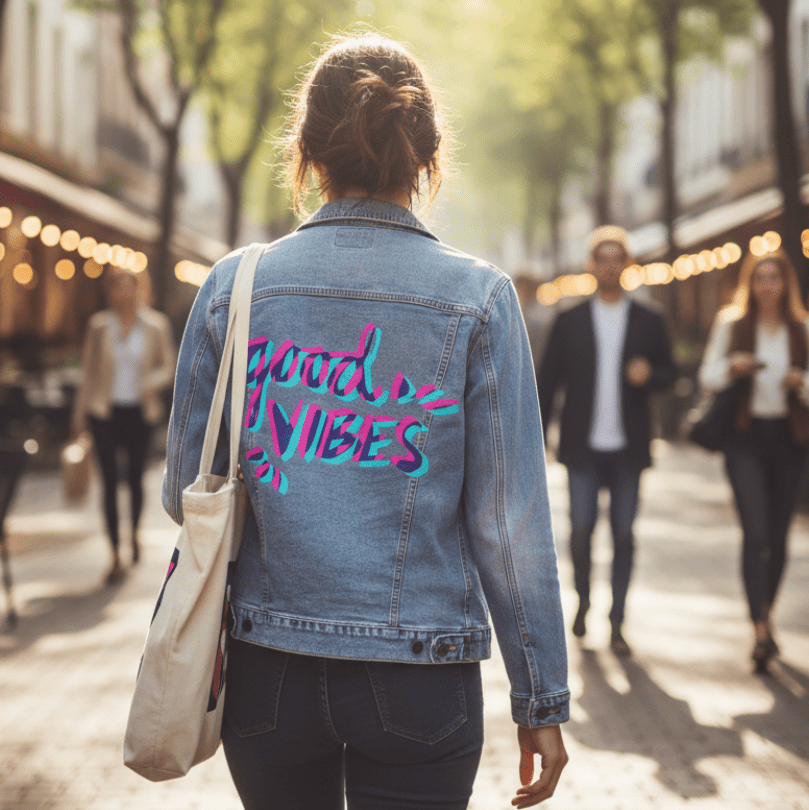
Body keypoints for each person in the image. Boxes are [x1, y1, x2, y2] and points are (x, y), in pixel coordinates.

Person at [162, 32, 569, 810]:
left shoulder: (235, 287)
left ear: (306, 153)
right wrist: (539, 698)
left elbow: (185, 489)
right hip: (422, 673)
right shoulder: (478, 298)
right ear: (428, 156)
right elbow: (507, 525)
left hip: (267, 668)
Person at [537, 227, 677, 656]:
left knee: (623, 535)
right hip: (581, 447)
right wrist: (535, 438)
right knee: (580, 532)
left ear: (627, 265)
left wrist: (649, 375)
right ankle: (583, 602)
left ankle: (617, 622)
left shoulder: (649, 319)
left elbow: (670, 374)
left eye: (618, 259)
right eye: (603, 259)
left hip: (629, 449)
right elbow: (547, 382)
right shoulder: (569, 320)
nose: (610, 266)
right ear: (592, 266)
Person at [698, 247, 809, 673]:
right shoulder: (732, 324)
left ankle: (767, 613)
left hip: (788, 439)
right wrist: (733, 366)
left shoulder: (801, 329)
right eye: (760, 278)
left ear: (785, 284)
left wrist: (801, 382)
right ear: (751, 283)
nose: (767, 286)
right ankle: (760, 629)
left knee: (778, 537)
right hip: (745, 439)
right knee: (755, 530)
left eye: (774, 278)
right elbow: (707, 376)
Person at [72, 268, 175, 583]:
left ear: (140, 290)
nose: (125, 293)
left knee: (134, 479)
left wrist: (150, 383)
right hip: (104, 412)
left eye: (131, 287)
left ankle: (135, 533)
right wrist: (78, 418)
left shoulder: (156, 325)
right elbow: (88, 372)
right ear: (111, 291)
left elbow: (167, 366)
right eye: (119, 287)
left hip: (140, 413)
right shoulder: (99, 325)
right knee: (108, 482)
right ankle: (115, 552)